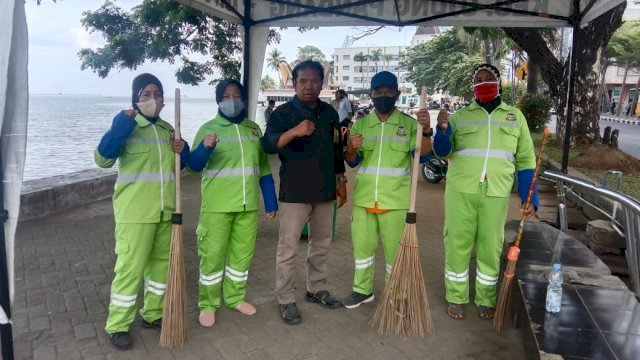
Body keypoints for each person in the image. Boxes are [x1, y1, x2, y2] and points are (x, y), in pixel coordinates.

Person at [422, 63, 537, 320]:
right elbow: (443, 152)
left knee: (491, 245)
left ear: (498, 83)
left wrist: (532, 197)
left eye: (488, 78)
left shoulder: (515, 117)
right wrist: (441, 129)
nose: (483, 82)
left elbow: (527, 161)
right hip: (461, 190)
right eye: (478, 79)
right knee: (457, 242)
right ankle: (456, 296)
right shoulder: (460, 117)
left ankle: (486, 299)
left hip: (496, 191)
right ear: (473, 86)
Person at [94, 73, 190, 351]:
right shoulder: (125, 125)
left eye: (157, 94)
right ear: (136, 98)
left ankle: (153, 314)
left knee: (160, 268)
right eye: (146, 94)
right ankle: (118, 325)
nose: (153, 99)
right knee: (129, 271)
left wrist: (181, 151)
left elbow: (179, 166)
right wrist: (120, 125)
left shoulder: (168, 129)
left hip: (165, 213)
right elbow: (102, 159)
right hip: (135, 214)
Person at [262, 60, 347, 325]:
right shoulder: (283, 113)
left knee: (321, 244)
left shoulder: (330, 113)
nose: (309, 86)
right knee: (288, 248)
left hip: (324, 188)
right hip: (295, 190)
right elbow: (268, 146)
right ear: (294, 83)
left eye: (314, 81)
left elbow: (336, 149)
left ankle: (316, 288)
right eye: (303, 81)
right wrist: (295, 131)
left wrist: (341, 178)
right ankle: (286, 299)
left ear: (322, 84)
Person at [187, 79, 278, 327]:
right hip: (217, 208)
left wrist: (270, 201)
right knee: (212, 257)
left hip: (248, 207)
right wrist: (205, 148)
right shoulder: (208, 129)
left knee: (241, 256)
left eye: (236, 95)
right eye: (226, 96)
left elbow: (263, 168)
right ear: (218, 100)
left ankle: (235, 297)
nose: (231, 100)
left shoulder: (253, 130)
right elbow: (193, 166)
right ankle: (208, 304)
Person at [342, 71, 432, 308]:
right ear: (371, 95)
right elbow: (352, 161)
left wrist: (428, 130)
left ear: (397, 94)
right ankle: (362, 290)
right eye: (378, 92)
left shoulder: (410, 125)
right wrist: (350, 147)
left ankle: (397, 295)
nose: (383, 96)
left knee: (395, 253)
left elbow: (423, 155)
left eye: (388, 92)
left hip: (396, 201)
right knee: (363, 250)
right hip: (364, 199)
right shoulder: (360, 124)